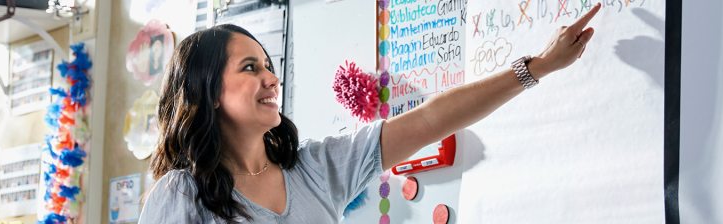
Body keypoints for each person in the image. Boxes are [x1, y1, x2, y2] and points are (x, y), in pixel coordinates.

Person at [139, 3, 603, 223]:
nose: (271, 78)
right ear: (210, 92)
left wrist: (537, 68)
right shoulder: (182, 195)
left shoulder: (315, 169)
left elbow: (431, 120)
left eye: (269, 65)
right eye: (249, 68)